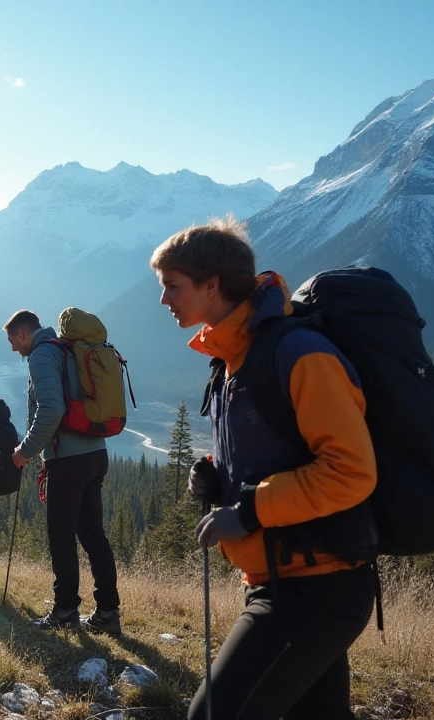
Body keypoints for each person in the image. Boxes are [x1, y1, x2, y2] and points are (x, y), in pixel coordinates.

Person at [152, 218, 378, 720]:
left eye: (172, 286)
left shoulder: (299, 354)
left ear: (213, 285)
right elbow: (274, 449)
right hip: (286, 577)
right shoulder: (235, 357)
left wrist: (250, 510)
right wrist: (216, 473)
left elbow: (350, 471)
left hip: (317, 586)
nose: (164, 299)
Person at [4, 310, 121, 635]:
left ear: (24, 334)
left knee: (62, 536)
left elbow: (52, 408)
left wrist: (24, 452)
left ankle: (65, 610)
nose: (14, 349)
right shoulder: (66, 349)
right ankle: (108, 613)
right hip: (94, 454)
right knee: (92, 535)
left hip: (69, 461)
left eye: (13, 341)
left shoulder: (42, 355)